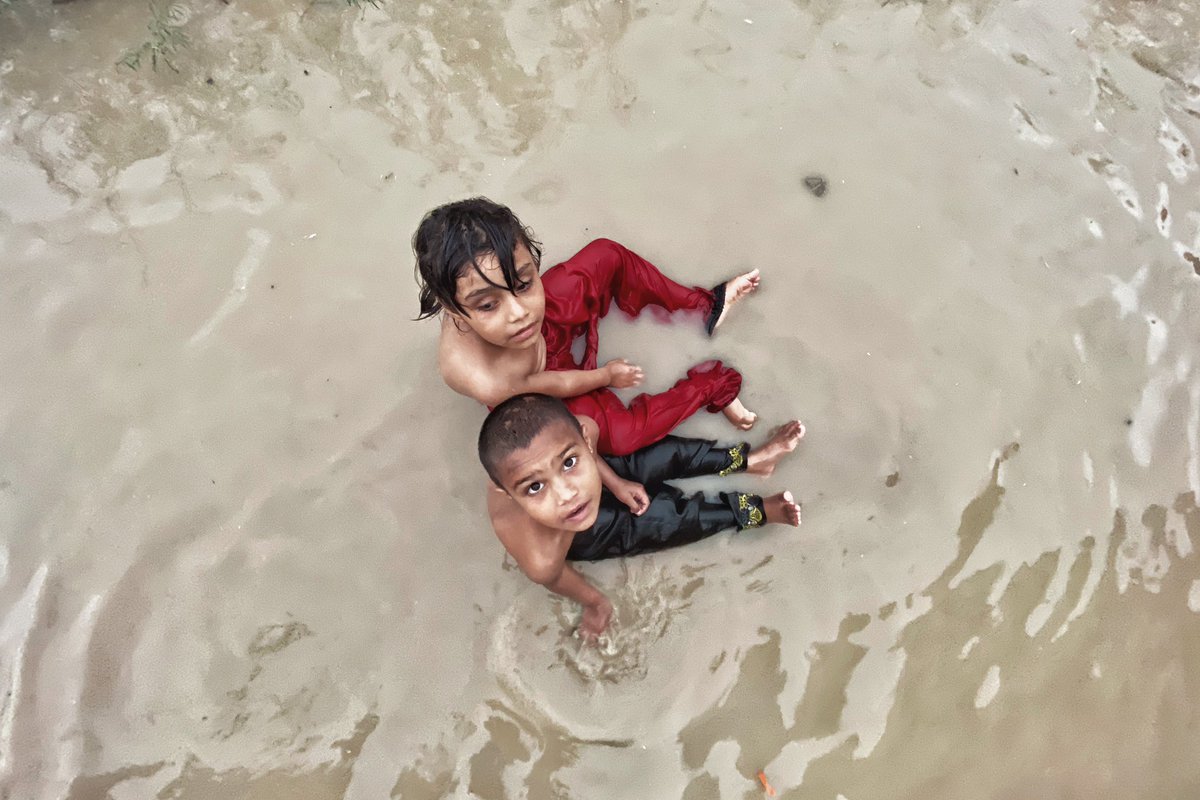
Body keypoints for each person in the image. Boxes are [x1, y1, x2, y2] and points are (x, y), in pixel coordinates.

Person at [414, 197, 762, 456]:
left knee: (605, 254)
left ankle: (704, 308)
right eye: (488, 305)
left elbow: (513, 296)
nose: (518, 312)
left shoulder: (511, 306)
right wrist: (606, 376)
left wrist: (509, 300)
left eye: (524, 283)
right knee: (622, 437)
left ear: (532, 263)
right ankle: (712, 386)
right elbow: (559, 382)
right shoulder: (488, 379)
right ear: (454, 311)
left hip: (542, 333)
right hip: (535, 390)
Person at [479, 394, 805, 639]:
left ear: (583, 442)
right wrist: (597, 605)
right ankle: (756, 511)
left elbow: (588, 439)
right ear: (509, 495)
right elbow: (559, 579)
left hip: (599, 472)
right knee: (668, 521)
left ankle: (752, 461)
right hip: (576, 535)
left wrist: (616, 483)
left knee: (667, 455)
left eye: (567, 463)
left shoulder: (585, 432)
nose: (566, 494)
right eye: (535, 487)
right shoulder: (541, 557)